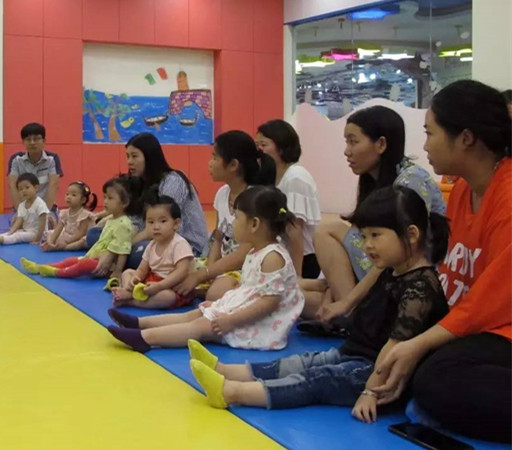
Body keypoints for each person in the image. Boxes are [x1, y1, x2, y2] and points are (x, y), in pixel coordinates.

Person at [189, 185, 449, 424]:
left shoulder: (420, 287)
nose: (367, 246)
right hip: (356, 351)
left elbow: (394, 349)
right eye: (364, 236)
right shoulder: (392, 266)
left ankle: (234, 392)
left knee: (317, 380)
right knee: (305, 361)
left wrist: (370, 391)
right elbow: (369, 281)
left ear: (411, 235)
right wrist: (345, 304)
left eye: (375, 236)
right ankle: (227, 370)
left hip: (376, 371)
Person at [371, 80, 511, 443]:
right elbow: (452, 282)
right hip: (478, 327)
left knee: (435, 377)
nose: (425, 145)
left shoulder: (508, 195)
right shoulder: (463, 189)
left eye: (430, 133)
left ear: (466, 138)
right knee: (392, 348)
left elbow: (489, 303)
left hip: (500, 329)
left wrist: (419, 344)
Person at [106, 186, 303, 353]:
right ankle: (140, 323)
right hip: (245, 310)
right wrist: (227, 304)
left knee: (200, 326)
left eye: (236, 217)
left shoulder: (272, 257)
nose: (233, 223)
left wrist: (231, 320)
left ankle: (146, 338)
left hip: (258, 324)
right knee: (195, 314)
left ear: (254, 224)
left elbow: (268, 303)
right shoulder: (257, 251)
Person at [307, 106, 446, 322]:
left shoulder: (411, 182)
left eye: (353, 142)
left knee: (325, 234)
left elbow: (394, 253)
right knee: (299, 295)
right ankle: (343, 305)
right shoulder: (375, 181)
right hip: (383, 267)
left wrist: (346, 301)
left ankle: (352, 314)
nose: (347, 151)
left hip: (406, 273)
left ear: (381, 144)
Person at [175, 130, 276, 302]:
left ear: (233, 165)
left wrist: (204, 275)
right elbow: (218, 238)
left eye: (215, 157)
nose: (210, 163)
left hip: (247, 266)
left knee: (214, 293)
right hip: (223, 266)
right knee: (176, 271)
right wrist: (209, 272)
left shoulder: (255, 199)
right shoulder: (222, 194)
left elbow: (244, 253)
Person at [89, 133, 207, 268]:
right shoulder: (141, 182)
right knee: (95, 234)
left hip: (184, 247)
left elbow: (158, 224)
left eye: (134, 156)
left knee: (138, 253)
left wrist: (117, 248)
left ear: (150, 157)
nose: (129, 161)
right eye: (127, 156)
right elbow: (133, 218)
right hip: (154, 238)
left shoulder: (173, 181)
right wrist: (107, 223)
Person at [21, 177, 133, 281]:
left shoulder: (123, 224)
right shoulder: (111, 219)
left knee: (83, 265)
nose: (106, 202)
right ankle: (39, 267)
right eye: (105, 197)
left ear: (124, 203)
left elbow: (123, 249)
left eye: (110, 198)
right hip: (95, 256)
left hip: (105, 266)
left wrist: (118, 271)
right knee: (71, 260)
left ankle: (56, 272)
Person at [256, 120, 322, 280]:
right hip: (284, 256)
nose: (259, 150)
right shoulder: (274, 177)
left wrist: (296, 276)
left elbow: (294, 231)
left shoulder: (295, 177)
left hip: (302, 260)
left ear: (282, 146)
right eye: (257, 145)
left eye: (263, 145)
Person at [111, 196, 195, 309]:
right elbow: (142, 269)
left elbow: (182, 272)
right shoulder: (151, 245)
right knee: (127, 273)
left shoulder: (179, 244)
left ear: (175, 224)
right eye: (151, 222)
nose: (156, 227)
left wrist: (160, 286)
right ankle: (129, 290)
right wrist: (135, 278)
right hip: (152, 281)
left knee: (167, 297)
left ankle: (131, 301)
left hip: (173, 285)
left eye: (163, 221)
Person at [0, 173, 49, 246]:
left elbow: (42, 223)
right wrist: (11, 232)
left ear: (36, 188)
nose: (24, 191)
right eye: (20, 189)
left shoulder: (40, 204)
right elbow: (19, 221)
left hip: (37, 233)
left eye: (27, 187)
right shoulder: (22, 205)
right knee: (10, 233)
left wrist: (37, 239)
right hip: (27, 231)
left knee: (17, 236)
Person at [7, 123, 61, 213]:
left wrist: (44, 212)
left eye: (36, 139)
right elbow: (12, 186)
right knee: (16, 221)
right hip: (23, 207)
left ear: (44, 141)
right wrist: (21, 213)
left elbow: (54, 185)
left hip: (47, 206)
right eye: (28, 139)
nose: (32, 142)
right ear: (23, 142)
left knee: (51, 221)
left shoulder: (52, 159)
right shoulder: (16, 160)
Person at [41, 181, 97, 251]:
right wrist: (51, 240)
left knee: (82, 242)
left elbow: (81, 233)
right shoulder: (65, 213)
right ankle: (51, 244)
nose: (68, 197)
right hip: (67, 234)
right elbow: (59, 228)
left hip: (78, 238)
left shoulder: (84, 215)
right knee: (50, 233)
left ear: (83, 200)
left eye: (73, 195)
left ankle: (64, 247)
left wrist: (67, 242)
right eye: (67, 194)